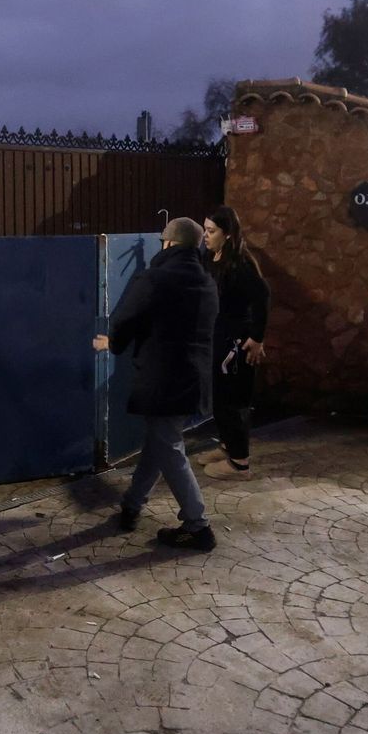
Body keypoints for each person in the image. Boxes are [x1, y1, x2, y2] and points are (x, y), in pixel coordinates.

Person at [93, 216, 220, 551]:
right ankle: (132, 505)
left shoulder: (156, 278)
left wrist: (113, 342)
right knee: (159, 442)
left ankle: (197, 525)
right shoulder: (207, 282)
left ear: (167, 243)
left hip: (162, 379)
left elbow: (126, 318)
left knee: (170, 448)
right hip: (194, 379)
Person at [201, 206, 270, 478]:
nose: (206, 236)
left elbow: (262, 298)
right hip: (219, 337)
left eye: (211, 231)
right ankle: (228, 445)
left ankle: (240, 463)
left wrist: (256, 337)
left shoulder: (241, 263)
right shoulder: (212, 257)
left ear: (228, 234)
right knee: (220, 397)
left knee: (234, 400)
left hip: (236, 342)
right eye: (205, 230)